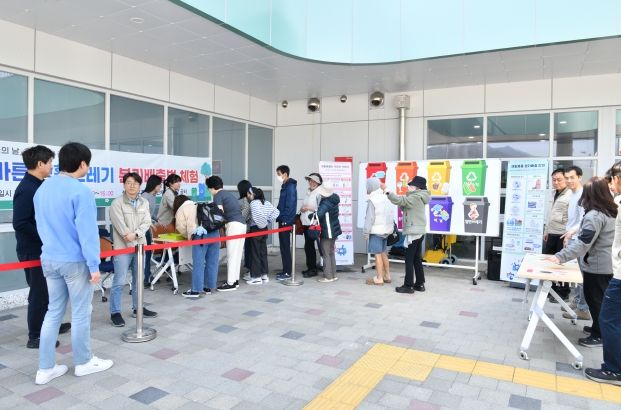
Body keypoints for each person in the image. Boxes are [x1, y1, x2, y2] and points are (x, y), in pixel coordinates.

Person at [33, 142, 112, 385]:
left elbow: (40, 226)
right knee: (80, 313)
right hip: (74, 261)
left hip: (50, 259)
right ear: (83, 164)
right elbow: (87, 233)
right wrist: (94, 266)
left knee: (53, 312)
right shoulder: (81, 191)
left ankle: (45, 368)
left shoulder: (42, 189)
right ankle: (84, 362)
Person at [13, 145, 71, 349]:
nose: (52, 166)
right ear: (40, 164)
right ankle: (36, 336)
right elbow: (20, 223)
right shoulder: (27, 189)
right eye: (50, 162)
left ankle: (50, 324)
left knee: (49, 291)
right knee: (39, 293)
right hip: (32, 250)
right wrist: (46, 236)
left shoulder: (40, 185)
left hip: (44, 248)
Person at [547, 177, 616, 348]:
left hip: (597, 266)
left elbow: (583, 243)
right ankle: (597, 328)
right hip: (605, 264)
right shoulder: (609, 211)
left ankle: (599, 335)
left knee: (595, 300)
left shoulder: (594, 216)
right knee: (599, 299)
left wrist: (560, 256)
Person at [585, 162, 621, 385]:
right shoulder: (614, 205)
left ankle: (614, 369)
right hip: (611, 268)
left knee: (608, 317)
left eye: (613, 180)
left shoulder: (598, 213)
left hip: (610, 270)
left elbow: (584, 242)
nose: (612, 186)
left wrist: (560, 257)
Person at [109, 172, 157, 327]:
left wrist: (135, 234)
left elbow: (147, 221)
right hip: (122, 248)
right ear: (124, 185)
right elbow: (119, 224)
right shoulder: (117, 203)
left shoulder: (144, 202)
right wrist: (128, 235)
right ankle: (115, 312)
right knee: (119, 281)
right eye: (129, 182)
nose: (132, 186)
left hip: (139, 246)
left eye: (135, 183)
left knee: (139, 279)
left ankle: (138, 308)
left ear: (139, 186)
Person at [385, 176, 430, 294]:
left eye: (411, 185)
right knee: (416, 259)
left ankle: (408, 285)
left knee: (409, 259)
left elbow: (402, 202)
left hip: (413, 232)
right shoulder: (419, 196)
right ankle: (420, 284)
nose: (408, 186)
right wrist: (401, 201)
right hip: (419, 231)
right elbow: (405, 206)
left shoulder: (415, 196)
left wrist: (389, 193)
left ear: (417, 187)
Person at [173, 195, 220, 298]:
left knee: (198, 263)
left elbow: (180, 227)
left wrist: (189, 236)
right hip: (215, 233)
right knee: (212, 262)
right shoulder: (199, 204)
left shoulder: (182, 209)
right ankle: (208, 287)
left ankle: (196, 290)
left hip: (200, 234)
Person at [561, 166, 591, 321]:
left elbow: (584, 220)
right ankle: (578, 301)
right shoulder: (572, 194)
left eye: (572, 177)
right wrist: (568, 234)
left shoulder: (583, 194)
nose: (569, 180)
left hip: (580, 240)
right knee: (576, 274)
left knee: (581, 276)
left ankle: (583, 309)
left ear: (580, 177)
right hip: (572, 238)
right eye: (567, 178)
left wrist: (572, 232)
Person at [207, 176, 246, 292]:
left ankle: (230, 283)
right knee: (237, 254)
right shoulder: (227, 194)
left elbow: (219, 214)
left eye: (208, 188)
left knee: (231, 254)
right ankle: (235, 281)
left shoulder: (218, 195)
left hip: (234, 225)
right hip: (242, 225)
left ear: (212, 187)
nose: (209, 191)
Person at [543, 168, 571, 302]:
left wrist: (569, 234)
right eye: (554, 180)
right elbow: (549, 215)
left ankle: (564, 292)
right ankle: (551, 290)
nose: (556, 182)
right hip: (551, 232)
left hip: (563, 233)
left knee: (561, 263)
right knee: (549, 261)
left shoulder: (571, 194)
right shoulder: (553, 194)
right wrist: (546, 231)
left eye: (559, 179)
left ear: (565, 179)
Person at [245, 187, 279, 285]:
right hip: (264, 229)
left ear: (253, 195)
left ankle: (256, 278)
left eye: (249, 194)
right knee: (263, 252)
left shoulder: (253, 203)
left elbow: (252, 216)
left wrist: (260, 223)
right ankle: (264, 276)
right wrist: (267, 221)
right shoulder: (266, 202)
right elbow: (276, 212)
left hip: (255, 229)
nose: (248, 195)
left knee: (255, 253)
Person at [363, 177, 394, 286]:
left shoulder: (373, 200)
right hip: (386, 231)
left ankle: (379, 278)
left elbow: (369, 218)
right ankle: (387, 275)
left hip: (376, 232)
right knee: (383, 253)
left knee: (377, 255)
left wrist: (366, 232)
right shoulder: (386, 197)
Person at [315, 182, 341, 283]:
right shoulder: (334, 198)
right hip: (334, 230)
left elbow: (318, 215)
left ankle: (328, 277)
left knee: (326, 253)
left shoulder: (326, 202)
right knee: (331, 253)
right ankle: (333, 275)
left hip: (327, 231)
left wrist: (311, 215)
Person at [275, 165, 297, 281]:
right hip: (282, 219)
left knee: (285, 247)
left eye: (279, 174)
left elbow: (290, 205)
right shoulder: (285, 185)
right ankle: (285, 270)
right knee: (283, 247)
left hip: (286, 221)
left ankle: (288, 272)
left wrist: (285, 220)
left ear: (285, 174)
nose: (278, 176)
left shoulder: (290, 186)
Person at [300, 173, 324, 278]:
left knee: (310, 246)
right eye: (310, 180)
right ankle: (310, 267)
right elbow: (304, 205)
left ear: (318, 183)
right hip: (306, 222)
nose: (311, 182)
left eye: (314, 181)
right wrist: (302, 209)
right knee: (308, 246)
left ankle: (313, 269)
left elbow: (321, 208)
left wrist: (308, 208)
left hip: (314, 223)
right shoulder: (309, 192)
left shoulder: (320, 193)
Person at [141, 174, 162, 286]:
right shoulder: (144, 196)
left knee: (148, 253)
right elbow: (142, 214)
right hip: (142, 230)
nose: (160, 187)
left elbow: (149, 213)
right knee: (146, 254)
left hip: (147, 229)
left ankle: (147, 275)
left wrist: (157, 219)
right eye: (159, 185)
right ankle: (145, 278)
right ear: (155, 185)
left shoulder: (153, 197)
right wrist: (150, 223)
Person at [237, 180, 253, 274]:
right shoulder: (253, 195)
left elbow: (245, 213)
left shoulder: (246, 199)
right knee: (252, 249)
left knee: (249, 249)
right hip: (255, 226)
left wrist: (239, 218)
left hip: (249, 227)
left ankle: (250, 270)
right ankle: (251, 269)